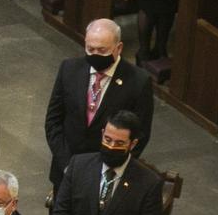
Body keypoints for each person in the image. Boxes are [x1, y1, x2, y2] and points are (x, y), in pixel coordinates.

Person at [45, 18, 154, 184]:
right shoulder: (69, 69)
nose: (95, 55)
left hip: (105, 176)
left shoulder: (138, 81)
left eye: (102, 51)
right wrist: (67, 164)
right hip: (65, 171)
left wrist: (110, 170)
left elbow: (140, 134)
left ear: (118, 48)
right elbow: (53, 121)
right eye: (90, 49)